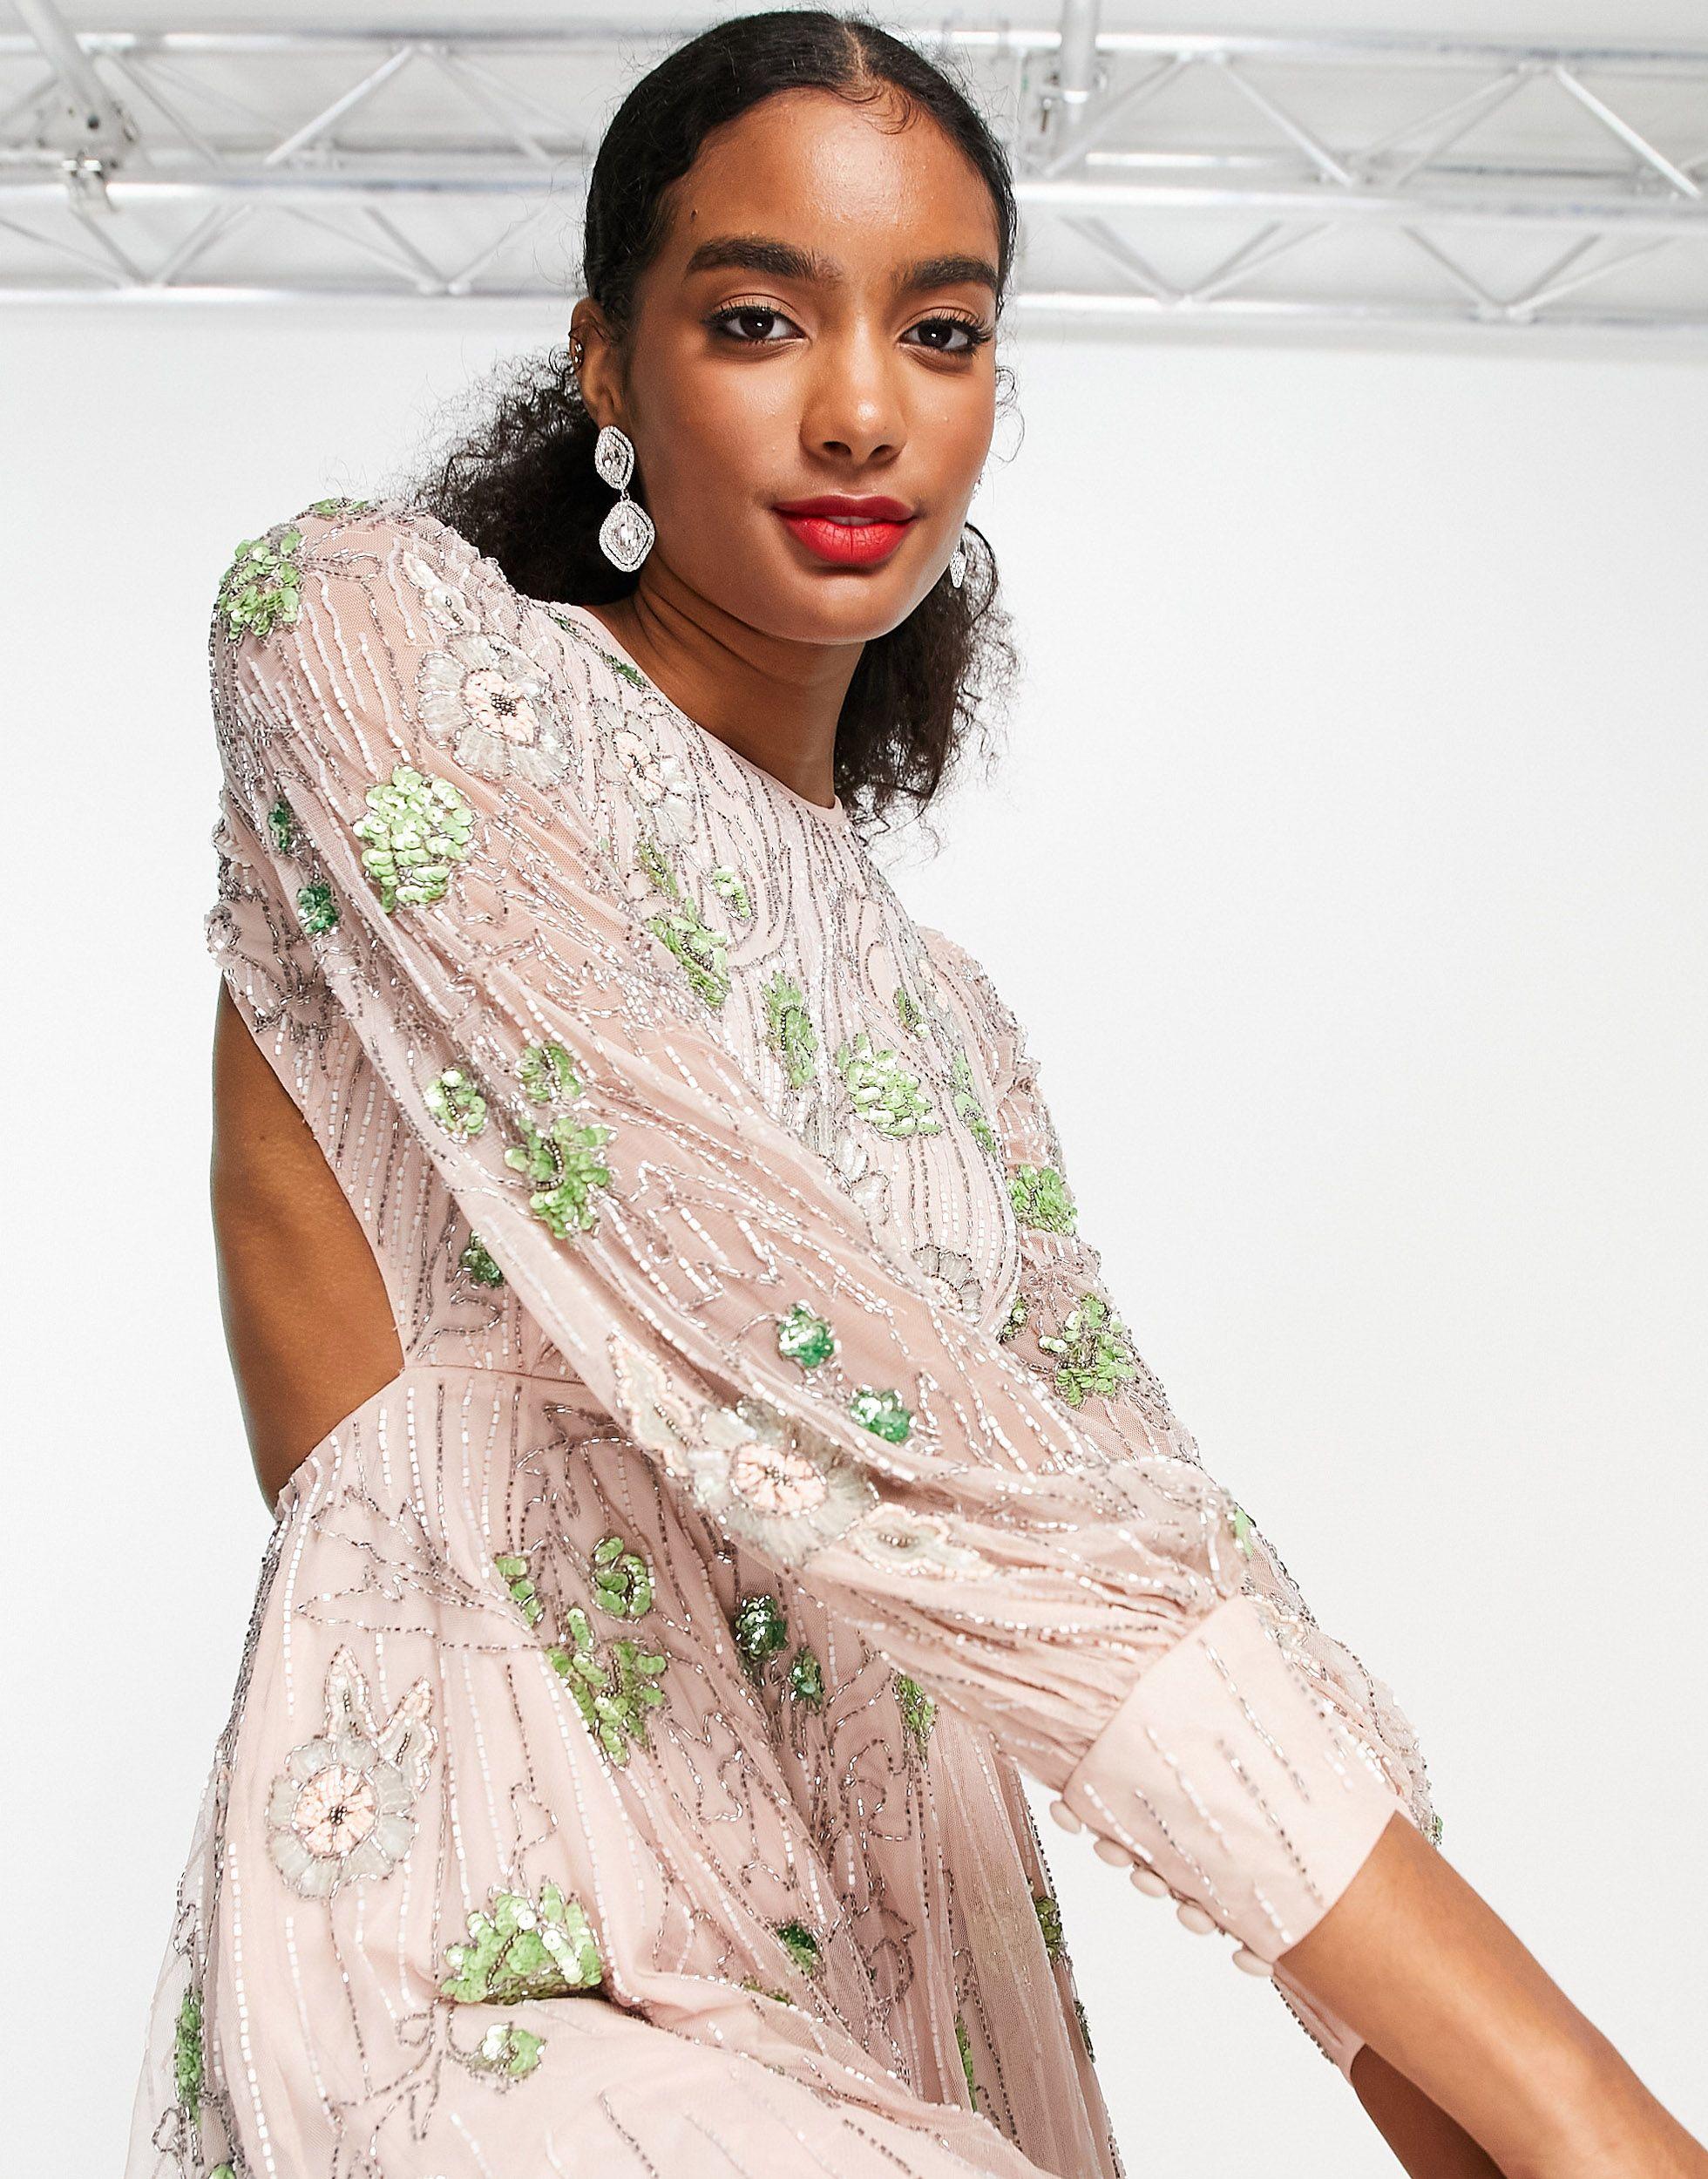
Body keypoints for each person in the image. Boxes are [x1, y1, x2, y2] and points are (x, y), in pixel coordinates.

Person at [126, 12, 1704, 2178]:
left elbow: (1137, 1524)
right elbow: (835, 1382)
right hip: (507, 1965)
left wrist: (1464, 2112)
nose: (861, 409)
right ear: (605, 359)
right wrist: (1577, 2105)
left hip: (910, 2002)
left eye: (940, 331)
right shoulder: (374, 642)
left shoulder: (946, 1026)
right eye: (756, 318)